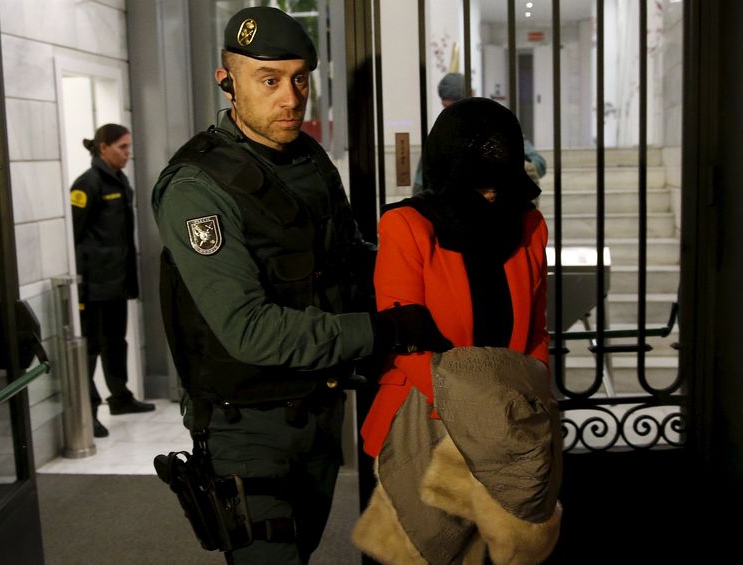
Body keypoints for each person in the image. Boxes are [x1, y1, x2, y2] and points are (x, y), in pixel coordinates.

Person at [150, 7, 450, 564]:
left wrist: (423, 262)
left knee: (304, 547)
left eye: (300, 79)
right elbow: (248, 330)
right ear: (227, 81)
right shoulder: (197, 187)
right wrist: (380, 330)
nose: (290, 98)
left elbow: (348, 259)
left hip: (317, 411)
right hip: (248, 426)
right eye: (269, 81)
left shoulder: (308, 158)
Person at [353, 98, 562, 564]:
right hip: (424, 421)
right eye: (478, 185)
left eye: (499, 184)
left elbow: (535, 334)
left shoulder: (528, 224)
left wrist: (528, 407)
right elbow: (405, 342)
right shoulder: (406, 225)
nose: (490, 197)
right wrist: (482, 411)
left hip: (507, 428)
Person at [70, 124, 155, 439]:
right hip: (93, 286)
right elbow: (74, 238)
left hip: (117, 282)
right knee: (90, 349)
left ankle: (120, 397)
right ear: (102, 147)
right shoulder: (87, 184)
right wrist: (82, 282)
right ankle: (88, 411)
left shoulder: (120, 181)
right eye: (121, 147)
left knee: (116, 343)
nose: (127, 154)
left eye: (129, 147)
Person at [412, 72, 546, 194]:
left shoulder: (495, 129)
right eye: (446, 108)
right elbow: (421, 185)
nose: (451, 115)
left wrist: (509, 170)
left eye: (455, 107)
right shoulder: (439, 138)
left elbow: (538, 163)